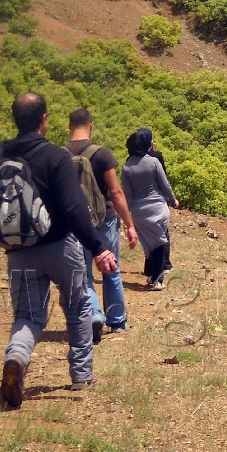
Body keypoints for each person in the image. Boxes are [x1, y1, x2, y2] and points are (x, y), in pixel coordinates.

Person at [0, 92, 117, 408]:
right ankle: (81, 376)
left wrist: (8, 237)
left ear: (16, 119)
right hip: (61, 248)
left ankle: (16, 358)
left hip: (19, 253)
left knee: (28, 315)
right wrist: (98, 248)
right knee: (79, 304)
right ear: (44, 120)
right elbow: (74, 207)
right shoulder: (55, 157)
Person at [65, 108, 139, 341]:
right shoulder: (102, 154)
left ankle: (94, 314)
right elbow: (116, 192)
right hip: (105, 218)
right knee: (111, 269)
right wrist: (129, 224)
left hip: (76, 224)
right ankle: (117, 321)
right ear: (91, 125)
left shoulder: (60, 154)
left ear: (69, 126)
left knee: (84, 274)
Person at [121, 128, 178, 291]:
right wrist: (173, 200)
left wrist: (128, 218)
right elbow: (164, 184)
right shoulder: (153, 162)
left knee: (150, 243)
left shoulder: (126, 167)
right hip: (158, 208)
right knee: (160, 242)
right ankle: (158, 279)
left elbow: (128, 195)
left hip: (139, 212)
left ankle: (153, 275)